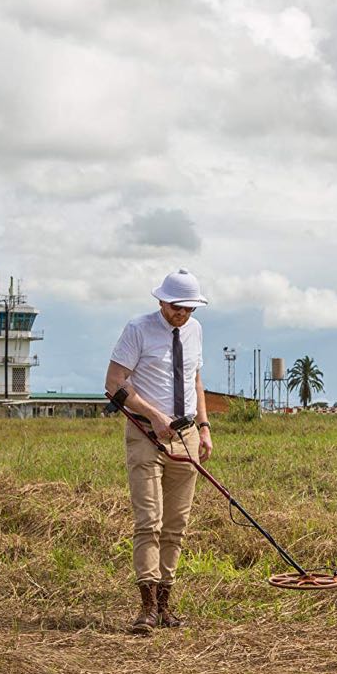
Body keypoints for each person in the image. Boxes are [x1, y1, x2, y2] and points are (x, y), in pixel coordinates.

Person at [105, 268, 213, 635]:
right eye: (177, 307)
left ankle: (166, 604)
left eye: (189, 309)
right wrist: (154, 415)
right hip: (146, 433)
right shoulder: (138, 329)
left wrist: (204, 427)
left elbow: (195, 380)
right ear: (161, 301)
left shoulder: (195, 331)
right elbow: (113, 383)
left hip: (187, 437)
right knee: (149, 520)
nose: (182, 314)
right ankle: (147, 607)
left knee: (176, 524)